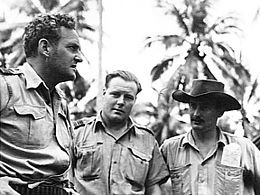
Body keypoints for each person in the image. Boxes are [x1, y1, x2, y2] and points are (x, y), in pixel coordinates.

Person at [0, 13, 83, 195]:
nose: (79, 58)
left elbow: (60, 162)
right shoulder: (6, 86)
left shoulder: (61, 102)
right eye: (72, 48)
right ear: (45, 47)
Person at [72, 70, 169, 195]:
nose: (121, 102)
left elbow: (153, 188)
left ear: (135, 100)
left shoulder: (147, 140)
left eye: (128, 97)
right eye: (115, 94)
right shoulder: (78, 133)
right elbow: (63, 179)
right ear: (104, 93)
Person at [160, 79, 260, 195]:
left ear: (220, 112)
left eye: (205, 107)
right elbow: (151, 186)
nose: (196, 113)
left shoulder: (244, 148)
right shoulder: (170, 149)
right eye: (193, 106)